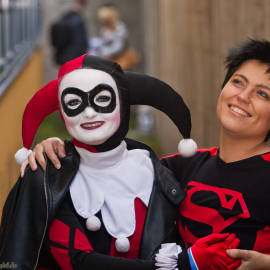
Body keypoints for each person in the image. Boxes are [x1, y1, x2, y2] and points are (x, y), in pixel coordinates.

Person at [25, 39, 270, 269]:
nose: (243, 96)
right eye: (238, 82)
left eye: (262, 93)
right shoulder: (182, 167)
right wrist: (62, 147)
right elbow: (109, 159)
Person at [50, 0, 88, 65]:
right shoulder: (77, 20)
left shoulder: (64, 16)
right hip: (74, 58)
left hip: (63, 56)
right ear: (82, 5)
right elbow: (79, 42)